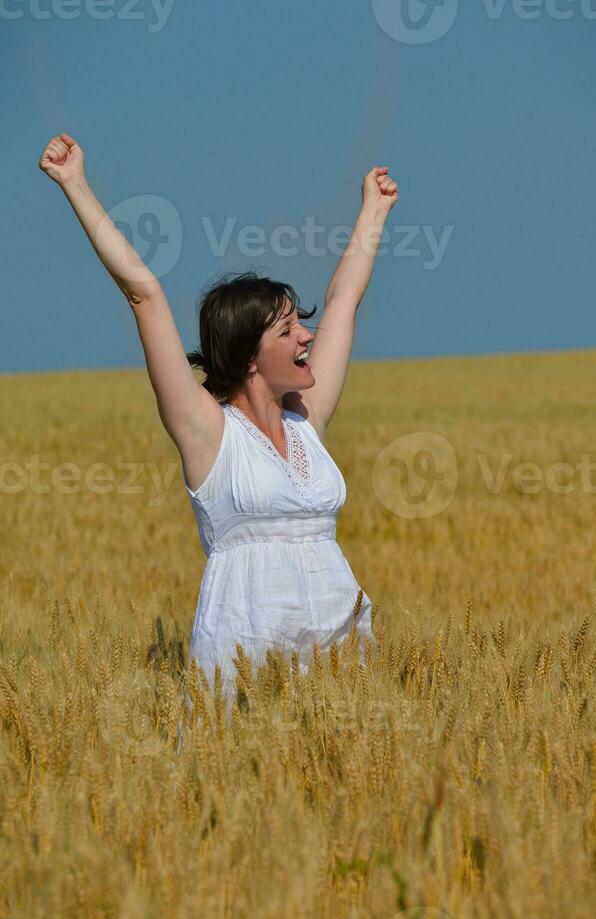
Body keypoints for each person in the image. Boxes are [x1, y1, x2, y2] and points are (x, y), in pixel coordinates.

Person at [38, 132, 399, 717]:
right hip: (246, 661)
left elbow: (343, 302)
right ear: (250, 356)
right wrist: (75, 183)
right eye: (287, 331)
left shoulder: (308, 417)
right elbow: (144, 295)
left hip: (339, 660)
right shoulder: (207, 434)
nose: (307, 337)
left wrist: (373, 211)